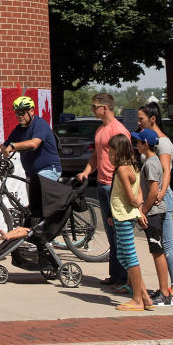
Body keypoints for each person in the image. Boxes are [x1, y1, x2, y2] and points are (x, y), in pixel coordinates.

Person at [0, 95, 62, 227]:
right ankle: (39, 236)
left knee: (40, 207)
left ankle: (47, 240)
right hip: (32, 173)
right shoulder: (19, 130)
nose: (19, 116)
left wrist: (13, 146)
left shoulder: (39, 124)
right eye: (17, 113)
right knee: (34, 208)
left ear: (31, 111)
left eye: (22, 113)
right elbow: (4, 146)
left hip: (49, 169)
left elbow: (34, 143)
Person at [75, 92, 131, 289]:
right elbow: (96, 156)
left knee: (120, 235)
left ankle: (124, 279)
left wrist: (123, 187)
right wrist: (85, 172)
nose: (92, 110)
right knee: (110, 233)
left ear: (104, 108)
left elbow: (126, 161)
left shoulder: (118, 130)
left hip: (114, 186)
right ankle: (115, 276)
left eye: (94, 106)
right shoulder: (100, 129)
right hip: (101, 184)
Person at [137, 101, 173, 303]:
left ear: (152, 119)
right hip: (156, 199)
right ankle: (168, 287)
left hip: (160, 201)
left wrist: (160, 194)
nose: (139, 122)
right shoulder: (149, 139)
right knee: (162, 245)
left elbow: (165, 171)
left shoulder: (162, 143)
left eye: (142, 119)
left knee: (166, 244)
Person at [106, 133, 155, 311]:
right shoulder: (133, 166)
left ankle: (137, 300)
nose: (110, 157)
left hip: (124, 216)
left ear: (121, 152)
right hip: (122, 215)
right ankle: (146, 298)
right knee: (121, 255)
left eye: (112, 153)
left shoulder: (121, 169)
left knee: (129, 255)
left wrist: (138, 209)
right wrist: (139, 210)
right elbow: (139, 193)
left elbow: (131, 197)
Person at [132, 128, 172, 306]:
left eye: (138, 141)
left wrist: (143, 211)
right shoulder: (151, 161)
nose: (136, 144)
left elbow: (154, 191)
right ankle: (163, 290)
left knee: (157, 251)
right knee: (156, 250)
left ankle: (165, 293)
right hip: (154, 213)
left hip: (154, 214)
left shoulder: (150, 163)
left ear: (145, 144)